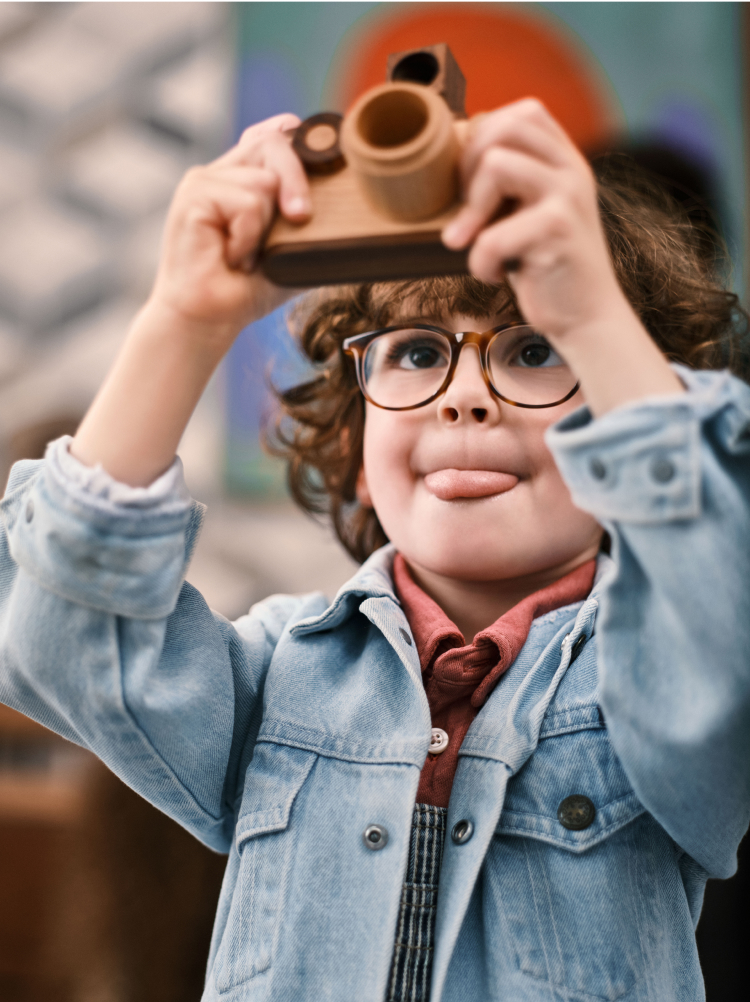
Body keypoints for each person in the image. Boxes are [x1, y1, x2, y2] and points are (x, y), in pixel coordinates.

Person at [1, 98, 749, 1002]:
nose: (465, 397)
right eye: (416, 354)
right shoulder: (277, 674)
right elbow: (58, 635)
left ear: (617, 436)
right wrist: (183, 319)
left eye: (538, 350)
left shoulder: (657, 676)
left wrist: (595, 314)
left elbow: (722, 625)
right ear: (356, 451)